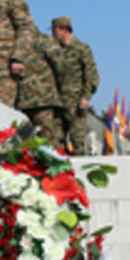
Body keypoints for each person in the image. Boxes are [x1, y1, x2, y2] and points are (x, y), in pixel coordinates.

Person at [51, 16, 100, 155]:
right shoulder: (55, 51)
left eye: (54, 31)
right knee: (56, 142)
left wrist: (86, 97)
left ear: (64, 30)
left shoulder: (81, 49)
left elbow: (92, 76)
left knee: (78, 142)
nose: (52, 35)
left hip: (76, 104)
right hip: (58, 103)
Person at [13, 25, 67, 149]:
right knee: (38, 141)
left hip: (37, 99)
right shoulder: (43, 40)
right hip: (37, 98)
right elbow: (60, 66)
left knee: (44, 142)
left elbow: (60, 66)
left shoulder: (42, 40)